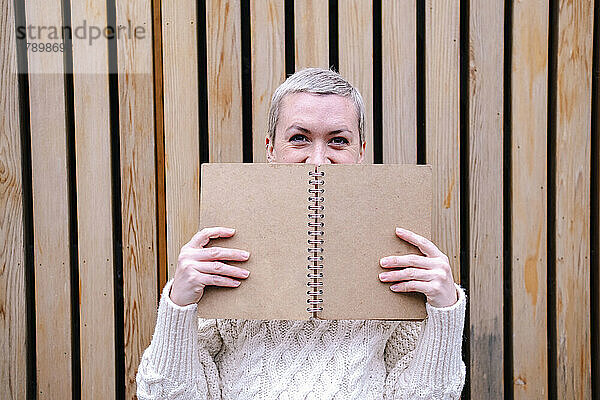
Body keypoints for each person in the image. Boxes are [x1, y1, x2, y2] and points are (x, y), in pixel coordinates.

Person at [136, 68, 466, 399]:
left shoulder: (396, 255)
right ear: (270, 148)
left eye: (338, 140)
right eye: (299, 138)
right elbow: (164, 396)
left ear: (360, 152)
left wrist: (445, 313)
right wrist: (178, 305)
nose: (318, 161)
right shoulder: (223, 250)